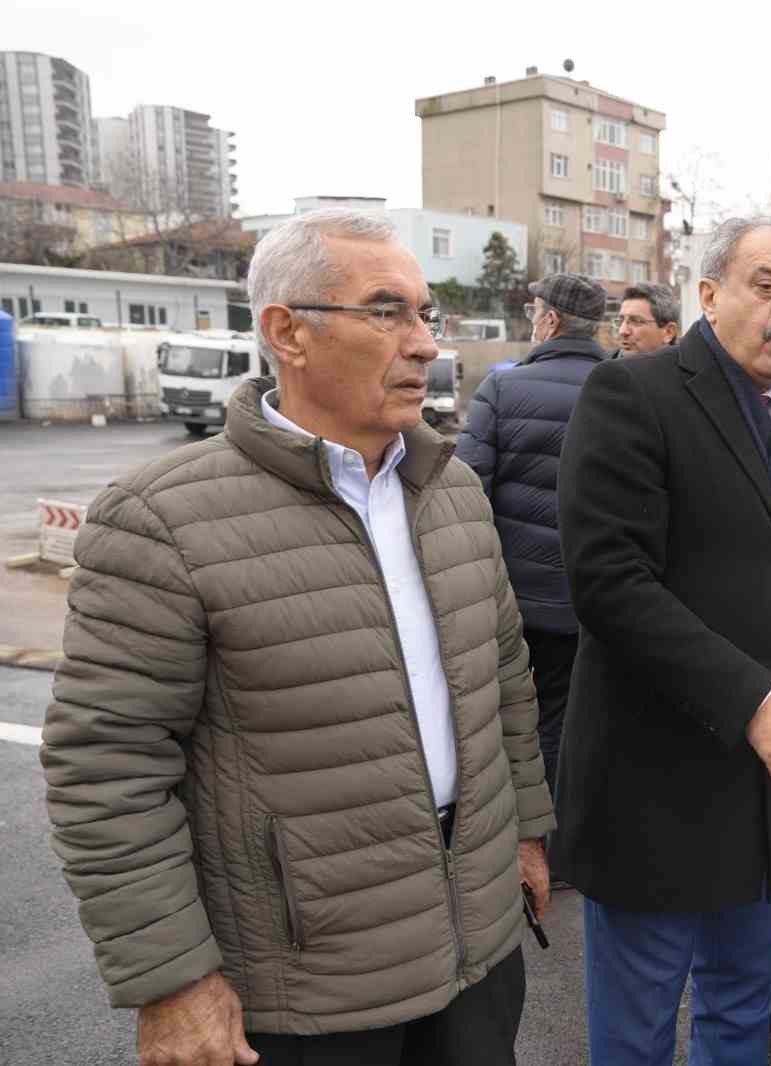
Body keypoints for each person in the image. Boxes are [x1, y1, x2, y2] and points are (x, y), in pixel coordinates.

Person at [39, 208, 554, 1066]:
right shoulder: (161, 519)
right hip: (308, 990)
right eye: (386, 311)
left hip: (478, 952)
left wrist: (527, 833)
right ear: (288, 332)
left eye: (426, 314)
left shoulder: (453, 490)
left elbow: (502, 678)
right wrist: (172, 981)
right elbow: (108, 768)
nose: (425, 343)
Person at [554, 216, 771, 1066]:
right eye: (765, 286)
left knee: (740, 1016)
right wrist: (758, 703)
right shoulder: (633, 394)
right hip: (654, 787)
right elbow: (610, 583)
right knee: (636, 1033)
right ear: (707, 295)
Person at [456, 272, 609, 812]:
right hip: (592, 598)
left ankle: (521, 829)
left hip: (512, 599)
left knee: (504, 713)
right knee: (565, 717)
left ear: (550, 320)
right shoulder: (625, 389)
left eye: (534, 311)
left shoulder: (503, 388)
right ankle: (559, 825)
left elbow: (466, 494)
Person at [615, 280, 681, 356]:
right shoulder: (606, 361)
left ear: (668, 332)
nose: (622, 331)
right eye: (621, 321)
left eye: (636, 321)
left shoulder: (690, 362)